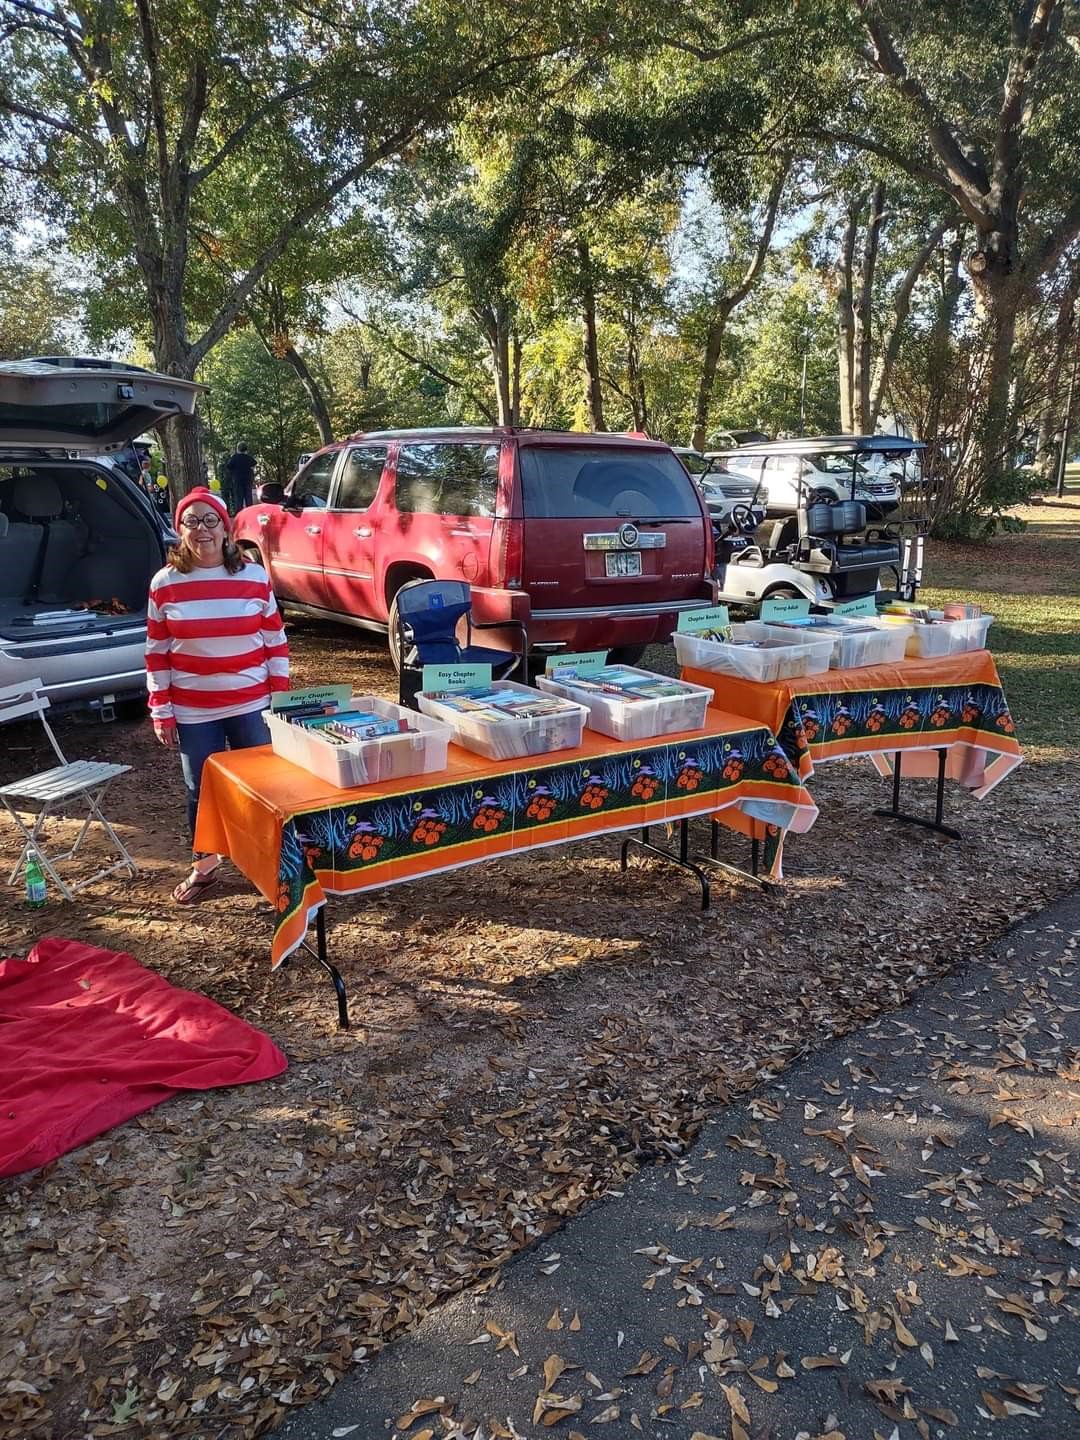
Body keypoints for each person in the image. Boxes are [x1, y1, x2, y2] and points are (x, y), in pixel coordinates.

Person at [145, 487, 289, 904]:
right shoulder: (165, 583)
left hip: (252, 703)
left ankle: (271, 866)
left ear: (226, 529)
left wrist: (278, 694)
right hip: (193, 710)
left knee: (263, 787)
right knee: (200, 792)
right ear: (180, 530)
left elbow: (274, 640)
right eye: (192, 521)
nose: (202, 530)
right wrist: (162, 710)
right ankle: (205, 868)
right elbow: (156, 653)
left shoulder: (253, 576)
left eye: (211, 521)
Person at [224, 442, 256, 512]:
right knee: (248, 498)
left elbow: (228, 466)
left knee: (239, 499)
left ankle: (239, 515)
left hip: (237, 480)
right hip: (248, 480)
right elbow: (254, 463)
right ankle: (250, 513)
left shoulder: (234, 457)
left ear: (237, 449)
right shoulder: (248, 458)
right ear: (246, 450)